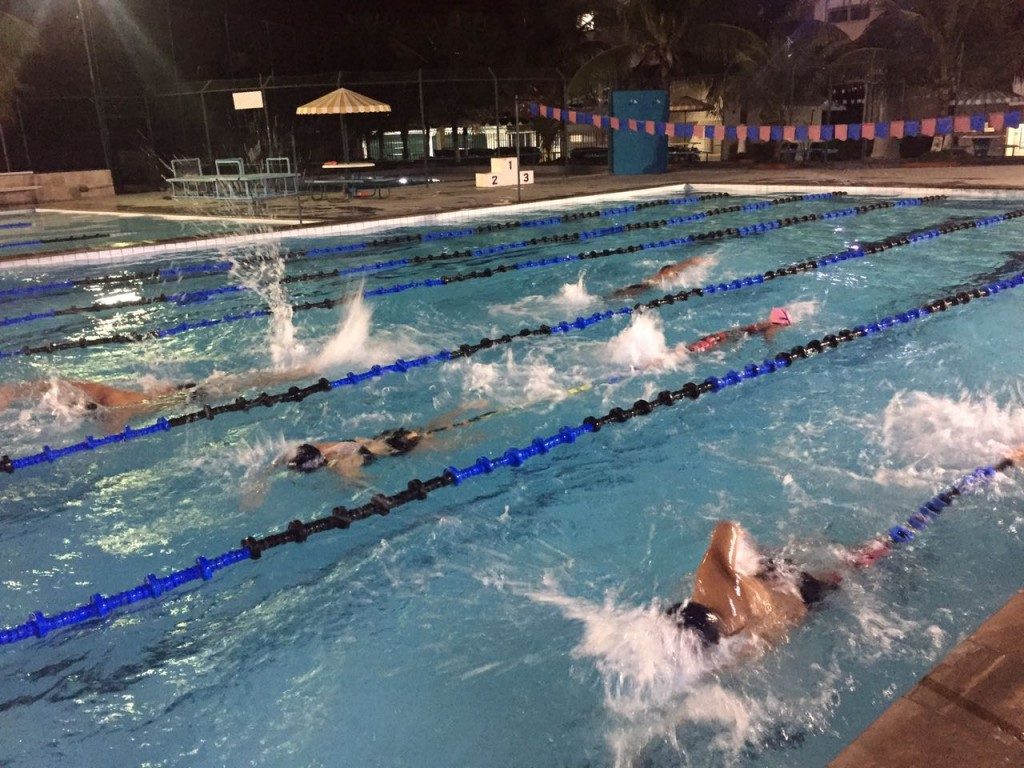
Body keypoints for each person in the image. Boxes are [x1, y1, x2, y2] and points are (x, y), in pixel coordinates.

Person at [665, 521, 840, 647]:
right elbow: (727, 528)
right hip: (772, 578)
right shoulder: (708, 578)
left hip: (800, 597)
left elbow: (729, 527)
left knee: (838, 575)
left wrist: (752, 555)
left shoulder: (735, 641)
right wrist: (751, 558)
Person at [279, 403, 496, 481]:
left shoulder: (339, 464)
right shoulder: (324, 445)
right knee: (429, 430)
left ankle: (481, 435)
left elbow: (363, 481)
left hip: (395, 448)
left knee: (450, 444)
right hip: (386, 436)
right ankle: (466, 408)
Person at [684, 306, 792, 355]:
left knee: (709, 341)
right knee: (702, 349)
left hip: (732, 332)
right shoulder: (773, 326)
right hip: (738, 335)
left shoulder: (766, 322)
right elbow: (768, 336)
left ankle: (684, 351)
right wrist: (773, 347)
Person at [608, 255, 709, 299]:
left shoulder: (666, 272)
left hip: (645, 284)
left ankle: (616, 295)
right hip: (648, 285)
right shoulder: (670, 272)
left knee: (628, 292)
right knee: (633, 292)